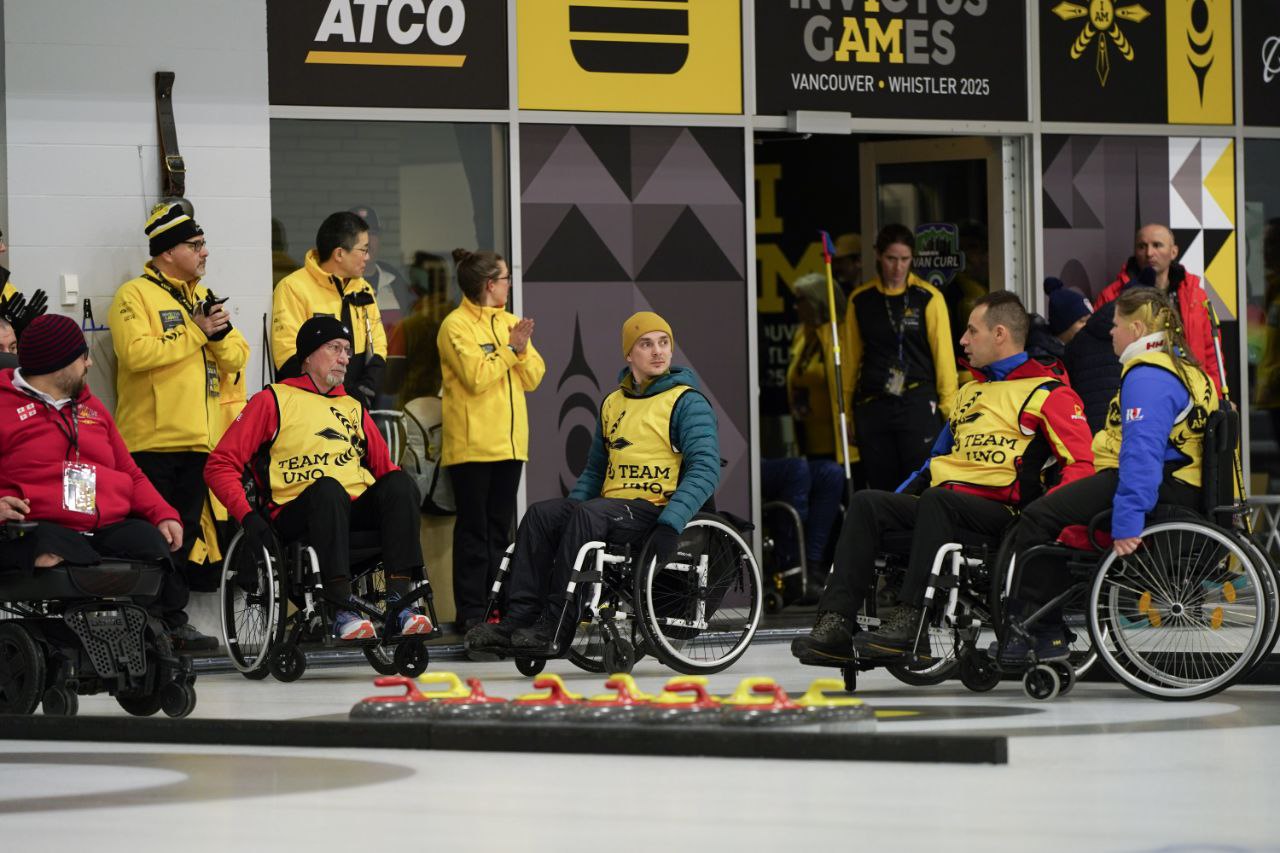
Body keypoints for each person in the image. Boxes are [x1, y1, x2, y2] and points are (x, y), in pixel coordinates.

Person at [792, 292, 1094, 663]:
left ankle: (910, 622)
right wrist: (897, 501)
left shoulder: (1050, 393)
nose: (963, 340)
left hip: (1002, 513)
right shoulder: (969, 392)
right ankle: (835, 623)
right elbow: (930, 464)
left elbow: (1080, 464)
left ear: (1000, 334)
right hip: (946, 504)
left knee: (938, 501)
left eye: (972, 330)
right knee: (867, 502)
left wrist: (1054, 523)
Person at [465, 311, 718, 655]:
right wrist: (572, 506)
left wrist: (671, 524)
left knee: (590, 515)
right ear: (629, 354)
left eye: (664, 343)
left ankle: (556, 625)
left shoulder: (687, 401)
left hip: (654, 509)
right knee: (541, 514)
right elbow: (596, 470)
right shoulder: (613, 402)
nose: (658, 351)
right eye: (646, 344)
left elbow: (705, 469)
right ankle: (518, 619)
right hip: (612, 507)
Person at [994, 286, 1218, 659]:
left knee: (1037, 516)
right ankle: (1047, 623)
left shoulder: (1148, 376)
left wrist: (1129, 521)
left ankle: (1037, 629)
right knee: (1064, 512)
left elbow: (1141, 454)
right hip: (1182, 482)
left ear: (1137, 329)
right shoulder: (1185, 368)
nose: (1109, 333)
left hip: (1161, 485)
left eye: (1115, 325)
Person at [205, 316, 432, 640]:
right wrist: (246, 516)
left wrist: (405, 501)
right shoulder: (273, 399)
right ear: (309, 355)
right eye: (335, 348)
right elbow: (219, 464)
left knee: (400, 484)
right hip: (297, 513)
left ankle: (401, 605)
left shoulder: (352, 406)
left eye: (348, 351)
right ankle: (341, 609)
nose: (344, 358)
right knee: (328, 489)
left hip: (351, 513)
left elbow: (386, 470)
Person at [108, 202, 250, 651]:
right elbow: (136, 355)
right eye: (195, 245)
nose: (205, 252)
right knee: (153, 539)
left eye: (203, 243)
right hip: (150, 443)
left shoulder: (201, 301)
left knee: (185, 537)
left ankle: (172, 620)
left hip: (198, 442)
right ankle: (144, 625)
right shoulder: (134, 295)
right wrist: (195, 331)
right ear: (168, 251)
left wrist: (216, 332)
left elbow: (239, 360)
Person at [0, 315, 183, 595]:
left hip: (101, 524)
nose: (89, 363)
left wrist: (163, 514)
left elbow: (130, 472)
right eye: (83, 356)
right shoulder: (5, 403)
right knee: (51, 546)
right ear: (56, 364)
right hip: (38, 525)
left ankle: (157, 629)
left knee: (151, 544)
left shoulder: (91, 406)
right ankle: (59, 631)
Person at [438, 248, 545, 634]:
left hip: (510, 445)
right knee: (474, 531)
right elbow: (475, 377)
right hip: (470, 447)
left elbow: (534, 376)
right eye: (504, 279)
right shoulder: (455, 326)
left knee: (502, 531)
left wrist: (517, 348)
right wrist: (511, 349)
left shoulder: (510, 323)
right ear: (489, 285)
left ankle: (499, 609)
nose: (509, 285)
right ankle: (471, 612)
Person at [844, 224, 958, 491]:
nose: (897, 267)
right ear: (878, 256)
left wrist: (949, 411)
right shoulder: (861, 300)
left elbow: (944, 360)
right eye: (891, 259)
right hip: (874, 403)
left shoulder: (928, 297)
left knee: (918, 483)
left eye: (905, 260)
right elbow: (849, 361)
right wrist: (847, 411)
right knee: (881, 487)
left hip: (917, 401)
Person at [273, 211, 387, 409]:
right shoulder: (293, 288)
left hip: (359, 404)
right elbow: (287, 355)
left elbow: (378, 344)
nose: (368, 257)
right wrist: (340, 394)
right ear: (340, 254)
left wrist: (366, 389)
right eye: (363, 250)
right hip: (311, 406)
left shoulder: (363, 289)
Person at [775, 272, 850, 571]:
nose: (795, 306)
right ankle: (803, 566)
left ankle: (823, 565)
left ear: (818, 302)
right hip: (808, 438)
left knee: (832, 503)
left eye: (801, 300)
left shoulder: (838, 334)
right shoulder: (801, 335)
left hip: (838, 442)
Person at [1094, 223, 1223, 393]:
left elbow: (1212, 354)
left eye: (1157, 245)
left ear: (1173, 252)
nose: (1149, 253)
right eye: (1142, 246)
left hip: (1191, 391)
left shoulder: (1195, 295)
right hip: (1137, 389)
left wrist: (1216, 398)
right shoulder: (1112, 295)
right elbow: (1097, 354)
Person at [348, 204, 414, 333]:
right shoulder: (333, 287)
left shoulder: (397, 285)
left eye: (372, 233)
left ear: (380, 239)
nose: (366, 240)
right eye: (358, 234)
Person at [830, 233, 862, 301]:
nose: (835, 267)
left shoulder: (871, 292)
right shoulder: (835, 294)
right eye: (833, 262)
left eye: (839, 261)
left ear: (858, 261)